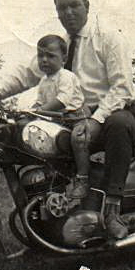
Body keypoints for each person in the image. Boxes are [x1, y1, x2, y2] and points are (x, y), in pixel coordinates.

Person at [0, 0, 135, 239]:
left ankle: (112, 209)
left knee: (119, 123)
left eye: (74, 5)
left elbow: (121, 88)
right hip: (72, 117)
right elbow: (23, 75)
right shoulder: (59, 46)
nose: (68, 13)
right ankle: (49, 217)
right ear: (56, 10)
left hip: (110, 112)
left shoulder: (108, 38)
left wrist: (96, 119)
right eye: (62, 8)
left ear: (87, 6)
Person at [30, 34, 92, 202]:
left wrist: (40, 110)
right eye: (40, 55)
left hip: (76, 118)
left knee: (78, 139)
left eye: (50, 56)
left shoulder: (66, 76)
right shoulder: (44, 81)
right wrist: (30, 111)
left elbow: (62, 100)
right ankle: (55, 181)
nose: (44, 60)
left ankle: (83, 179)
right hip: (58, 120)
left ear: (64, 58)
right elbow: (40, 102)